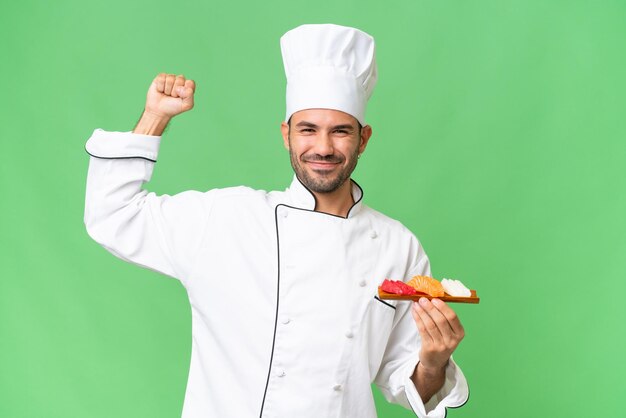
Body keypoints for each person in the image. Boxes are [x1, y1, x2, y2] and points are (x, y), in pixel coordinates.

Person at [84, 24, 469, 418]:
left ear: (364, 139)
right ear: (286, 135)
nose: (323, 147)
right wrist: (153, 119)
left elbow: (411, 385)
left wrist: (434, 362)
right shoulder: (226, 219)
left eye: (340, 132)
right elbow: (114, 215)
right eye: (308, 130)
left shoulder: (396, 246)